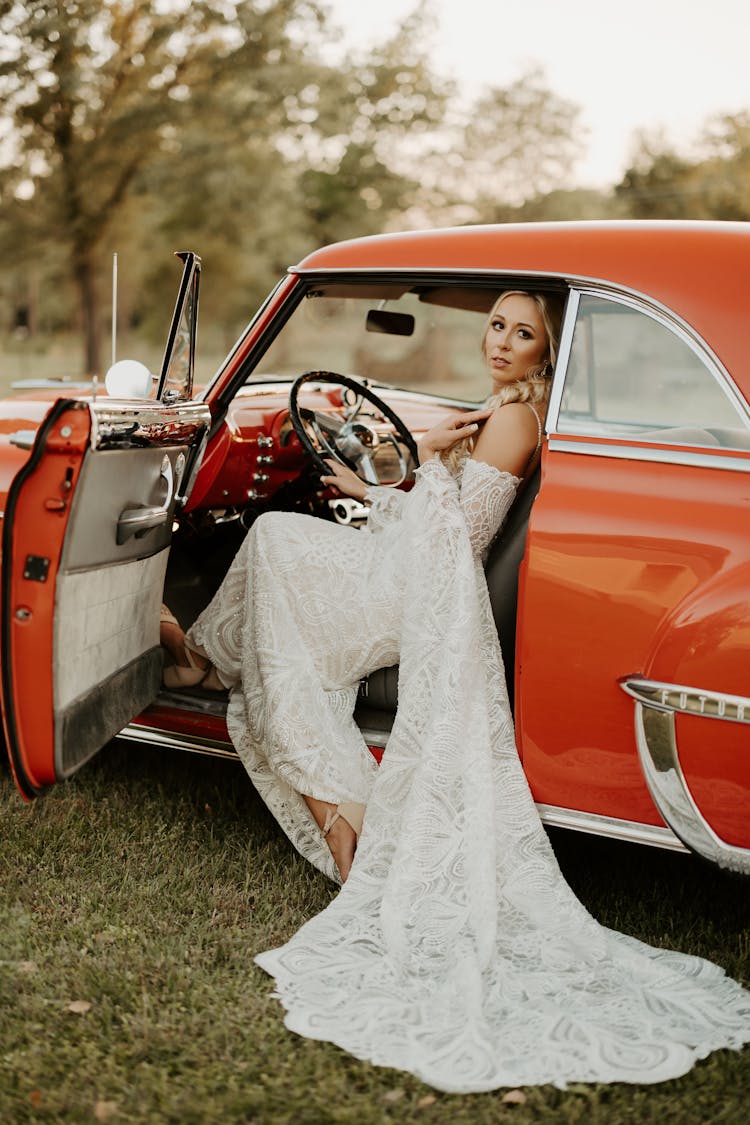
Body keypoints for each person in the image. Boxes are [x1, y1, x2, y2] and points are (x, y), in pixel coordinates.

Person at [160, 290, 750, 1093]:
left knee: (269, 533)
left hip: (425, 595)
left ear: (548, 349)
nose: (503, 342)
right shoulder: (507, 407)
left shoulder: (511, 421)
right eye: (498, 325)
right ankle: (200, 658)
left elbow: (458, 546)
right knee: (281, 547)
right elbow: (438, 523)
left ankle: (234, 698)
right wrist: (386, 476)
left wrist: (414, 466)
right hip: (416, 572)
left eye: (525, 333)